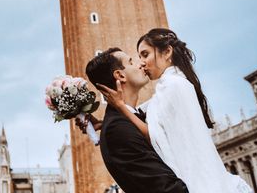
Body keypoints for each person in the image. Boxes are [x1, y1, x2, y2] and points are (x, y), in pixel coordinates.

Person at [100, 28, 252, 193]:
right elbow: (147, 112)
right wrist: (100, 122)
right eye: (138, 57)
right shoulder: (173, 84)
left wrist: (120, 106)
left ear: (166, 52)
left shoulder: (173, 86)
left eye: (145, 54)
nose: (141, 62)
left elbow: (155, 137)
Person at [80, 48, 189, 193]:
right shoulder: (117, 130)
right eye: (131, 62)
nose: (141, 64)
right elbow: (166, 188)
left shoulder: (129, 119)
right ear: (120, 75)